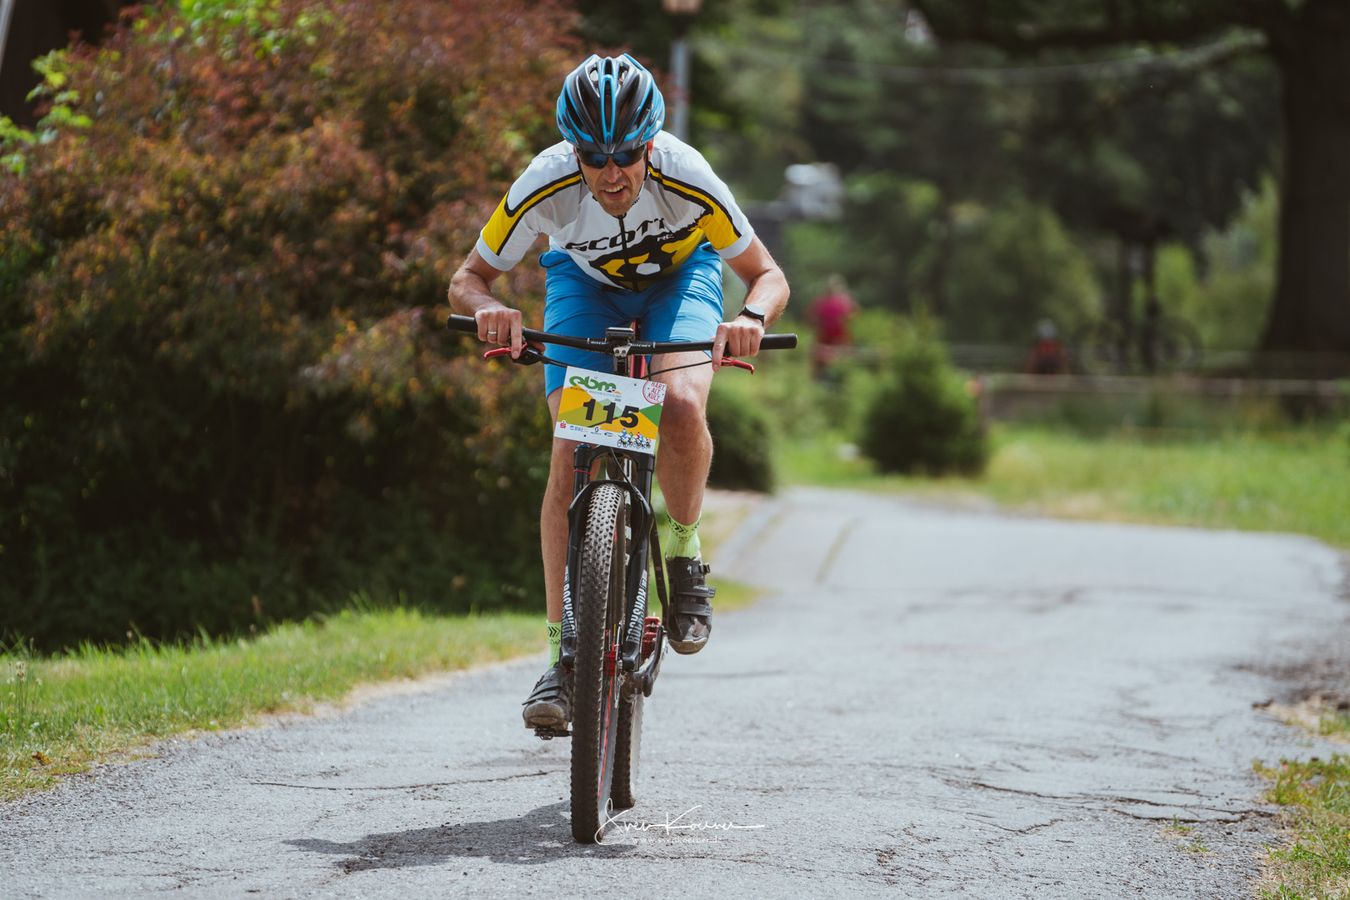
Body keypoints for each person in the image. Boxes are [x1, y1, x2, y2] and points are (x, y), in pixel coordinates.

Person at [447, 53, 789, 733]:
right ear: (572, 152)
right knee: (571, 446)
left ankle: (685, 553)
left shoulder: (688, 175)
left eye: (627, 154)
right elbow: (467, 279)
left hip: (680, 281)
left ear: (650, 146)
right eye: (594, 157)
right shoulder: (544, 182)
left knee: (681, 404)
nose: (612, 173)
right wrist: (490, 309)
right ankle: (560, 657)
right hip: (584, 287)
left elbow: (768, 275)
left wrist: (750, 318)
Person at [807, 274, 857, 380]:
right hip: (829, 340)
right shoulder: (842, 302)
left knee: (836, 362)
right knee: (821, 361)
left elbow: (813, 320)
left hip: (838, 340)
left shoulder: (841, 302)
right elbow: (851, 317)